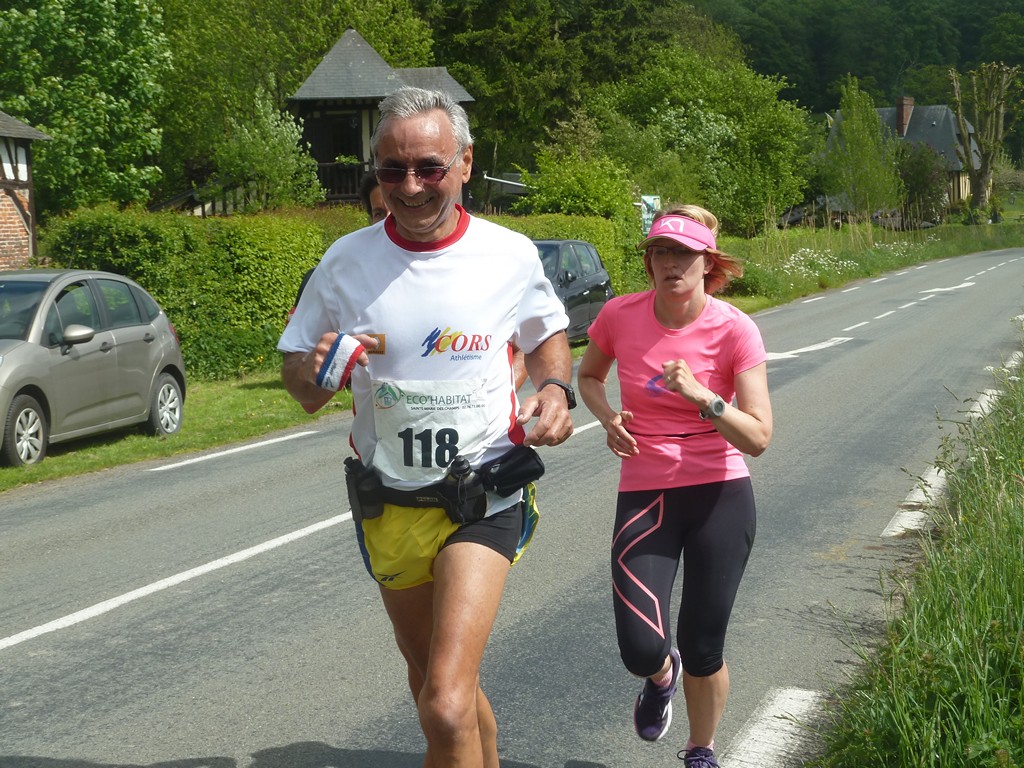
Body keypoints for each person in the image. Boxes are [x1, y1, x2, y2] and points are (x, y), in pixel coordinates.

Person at [278, 86, 575, 768]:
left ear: (465, 163)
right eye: (392, 170)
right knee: (436, 690)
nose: (409, 187)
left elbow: (546, 337)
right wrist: (315, 372)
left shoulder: (508, 254)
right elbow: (301, 389)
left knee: (443, 702)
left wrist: (556, 389)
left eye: (429, 168)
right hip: (389, 504)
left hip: (484, 495)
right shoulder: (344, 262)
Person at [576, 205, 772, 768]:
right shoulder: (619, 315)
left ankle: (700, 750)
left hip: (720, 495)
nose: (671, 263)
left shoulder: (735, 328)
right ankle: (661, 676)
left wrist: (703, 397)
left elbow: (759, 437)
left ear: (707, 262)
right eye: (661, 252)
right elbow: (588, 375)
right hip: (647, 492)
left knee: (704, 646)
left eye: (684, 254)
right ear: (649, 261)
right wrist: (608, 418)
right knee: (641, 648)